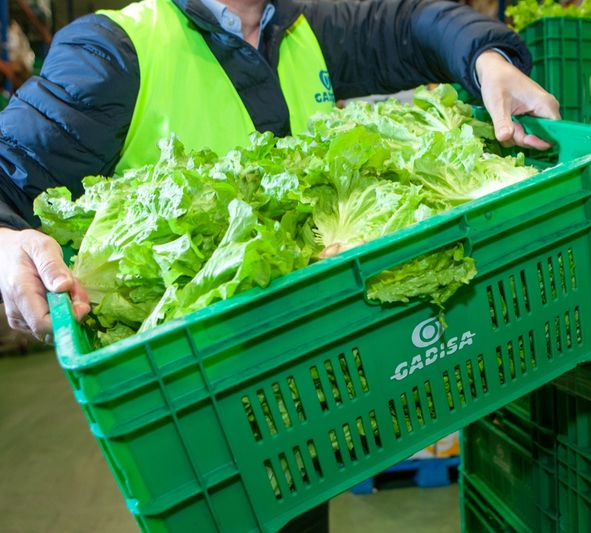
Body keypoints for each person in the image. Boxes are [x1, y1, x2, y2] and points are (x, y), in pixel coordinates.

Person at [0, 0, 560, 343]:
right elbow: (8, 170)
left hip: (300, 385)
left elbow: (415, 24)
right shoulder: (113, 52)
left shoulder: (300, 27)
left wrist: (488, 58)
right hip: (196, 402)